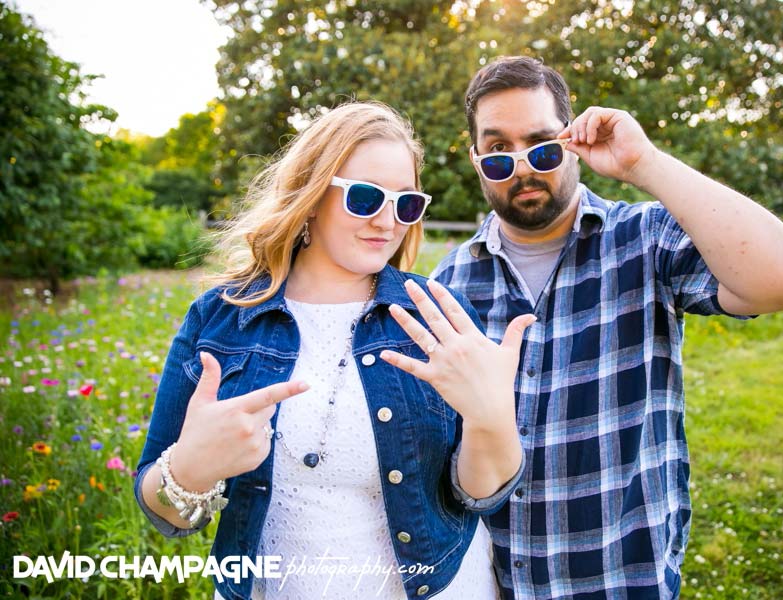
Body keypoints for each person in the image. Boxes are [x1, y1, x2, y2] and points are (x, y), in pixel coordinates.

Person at [432, 56, 783, 599]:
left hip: (624, 580)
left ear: (572, 140)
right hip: (495, 586)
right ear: (476, 160)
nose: (521, 168)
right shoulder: (445, 284)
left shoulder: (644, 238)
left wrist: (645, 164)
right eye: (498, 152)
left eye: (542, 145)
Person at [134, 101, 534, 600]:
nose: (388, 222)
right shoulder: (220, 318)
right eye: (366, 198)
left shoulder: (436, 316)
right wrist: (192, 468)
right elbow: (160, 507)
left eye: (406, 203)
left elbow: (480, 494)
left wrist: (490, 418)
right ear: (312, 194)